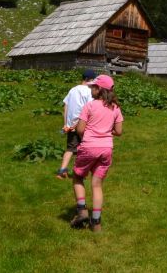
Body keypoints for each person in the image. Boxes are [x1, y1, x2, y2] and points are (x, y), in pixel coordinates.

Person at [70, 74, 123, 232]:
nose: (90, 89)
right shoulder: (115, 108)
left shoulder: (90, 106)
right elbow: (119, 131)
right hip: (106, 149)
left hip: (89, 147)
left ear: (99, 89)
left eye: (93, 87)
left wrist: (86, 133)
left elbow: (80, 129)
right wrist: (106, 131)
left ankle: (82, 211)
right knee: (97, 185)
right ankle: (96, 223)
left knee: (78, 177)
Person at [56, 68, 96, 179]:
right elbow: (89, 109)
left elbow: (66, 106)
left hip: (70, 126)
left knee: (70, 148)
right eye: (93, 80)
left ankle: (62, 171)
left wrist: (66, 124)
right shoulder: (89, 91)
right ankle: (79, 172)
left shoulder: (72, 90)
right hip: (83, 125)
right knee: (84, 148)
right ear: (88, 79)